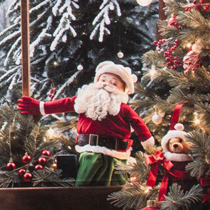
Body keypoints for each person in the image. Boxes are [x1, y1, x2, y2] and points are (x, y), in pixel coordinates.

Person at [18, 61, 151, 186]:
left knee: (116, 187)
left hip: (117, 157)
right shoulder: (86, 101)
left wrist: (149, 145)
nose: (106, 84)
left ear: (122, 91)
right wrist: (41, 107)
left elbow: (139, 124)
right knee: (86, 185)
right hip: (89, 153)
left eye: (113, 83)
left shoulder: (123, 109)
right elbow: (64, 104)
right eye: (103, 80)